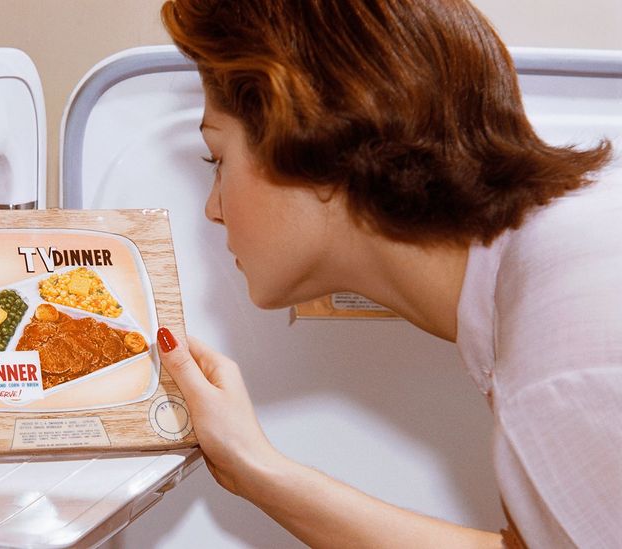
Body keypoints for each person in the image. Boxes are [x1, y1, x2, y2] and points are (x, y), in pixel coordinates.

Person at [153, 1, 622, 547]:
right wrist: (256, 470)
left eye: (217, 159)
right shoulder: (550, 273)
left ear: (306, 138)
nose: (213, 208)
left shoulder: (563, 362)